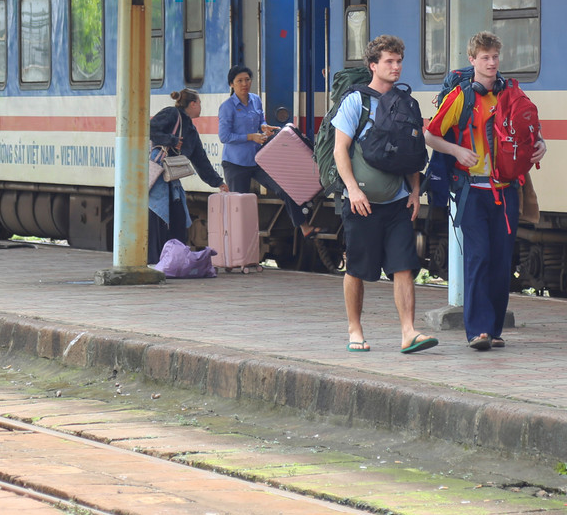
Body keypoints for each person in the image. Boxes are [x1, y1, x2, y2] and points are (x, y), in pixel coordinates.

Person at [425, 31, 546, 351]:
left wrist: (541, 145)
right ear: (472, 61)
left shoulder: (512, 95)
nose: (491, 63)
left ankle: (493, 329)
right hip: (472, 191)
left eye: (495, 57)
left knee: (501, 259)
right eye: (485, 58)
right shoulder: (462, 97)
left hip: (506, 190)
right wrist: (455, 151)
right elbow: (431, 135)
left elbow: (531, 130)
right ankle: (477, 330)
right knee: (478, 256)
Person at [333, 35, 437, 355]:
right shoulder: (356, 102)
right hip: (361, 203)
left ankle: (408, 331)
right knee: (357, 269)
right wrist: (351, 190)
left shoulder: (406, 103)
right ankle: (355, 329)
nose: (396, 67)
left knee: (404, 265)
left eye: (398, 61)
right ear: (373, 65)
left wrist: (415, 191)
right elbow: (340, 150)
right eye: (389, 61)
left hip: (397, 204)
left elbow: (411, 154)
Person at [216, 65, 318, 239]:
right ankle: (236, 246)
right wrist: (251, 137)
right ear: (231, 84)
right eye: (239, 81)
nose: (244, 84)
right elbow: (224, 136)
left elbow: (260, 120)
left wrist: (264, 127)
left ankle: (304, 227)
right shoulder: (227, 107)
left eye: (247, 80)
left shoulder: (255, 100)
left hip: (257, 160)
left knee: (285, 188)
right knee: (238, 206)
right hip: (236, 163)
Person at [149, 88, 225, 264]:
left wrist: (218, 182)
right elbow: (150, 130)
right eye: (199, 103)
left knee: (177, 218)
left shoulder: (190, 129)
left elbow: (200, 160)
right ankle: (157, 261)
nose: (200, 107)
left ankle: (173, 262)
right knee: (159, 219)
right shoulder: (171, 114)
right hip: (158, 178)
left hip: (172, 180)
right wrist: (172, 140)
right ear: (193, 104)